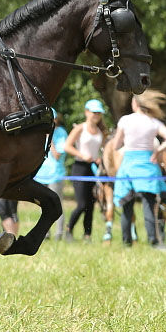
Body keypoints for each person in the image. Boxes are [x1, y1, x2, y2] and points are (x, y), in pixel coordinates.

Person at [110, 90, 166, 248]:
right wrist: (158, 150)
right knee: (149, 206)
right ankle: (153, 241)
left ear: (136, 104)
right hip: (148, 166)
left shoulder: (125, 120)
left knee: (127, 206)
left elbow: (116, 145)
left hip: (129, 165)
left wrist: (127, 146)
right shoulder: (153, 122)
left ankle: (127, 242)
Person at [63, 99, 107, 241]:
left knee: (91, 204)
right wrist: (82, 155)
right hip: (80, 168)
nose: (96, 115)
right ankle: (69, 229)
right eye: (94, 112)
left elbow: (103, 149)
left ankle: (87, 235)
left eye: (98, 113)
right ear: (87, 112)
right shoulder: (80, 128)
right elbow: (67, 146)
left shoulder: (100, 131)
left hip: (93, 169)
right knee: (81, 204)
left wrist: (100, 158)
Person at [33, 109, 68, 240]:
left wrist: (50, 139)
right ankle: (45, 234)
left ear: (55, 120)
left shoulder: (61, 133)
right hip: (40, 174)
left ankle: (59, 233)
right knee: (42, 204)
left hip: (56, 174)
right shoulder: (38, 134)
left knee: (57, 204)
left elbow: (58, 155)